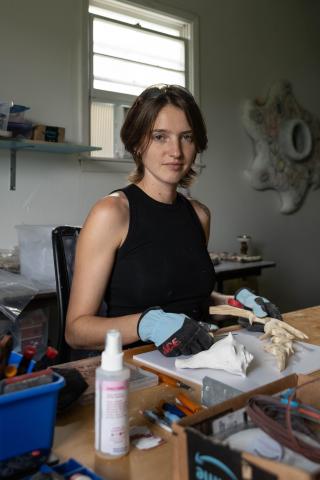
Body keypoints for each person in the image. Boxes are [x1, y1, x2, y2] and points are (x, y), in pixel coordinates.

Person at [66, 84, 281, 358]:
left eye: (187, 137)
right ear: (136, 143)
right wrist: (145, 324)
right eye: (160, 136)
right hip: (135, 369)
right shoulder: (112, 213)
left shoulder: (199, 215)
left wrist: (234, 303)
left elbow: (189, 300)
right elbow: (76, 331)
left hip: (198, 359)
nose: (176, 151)